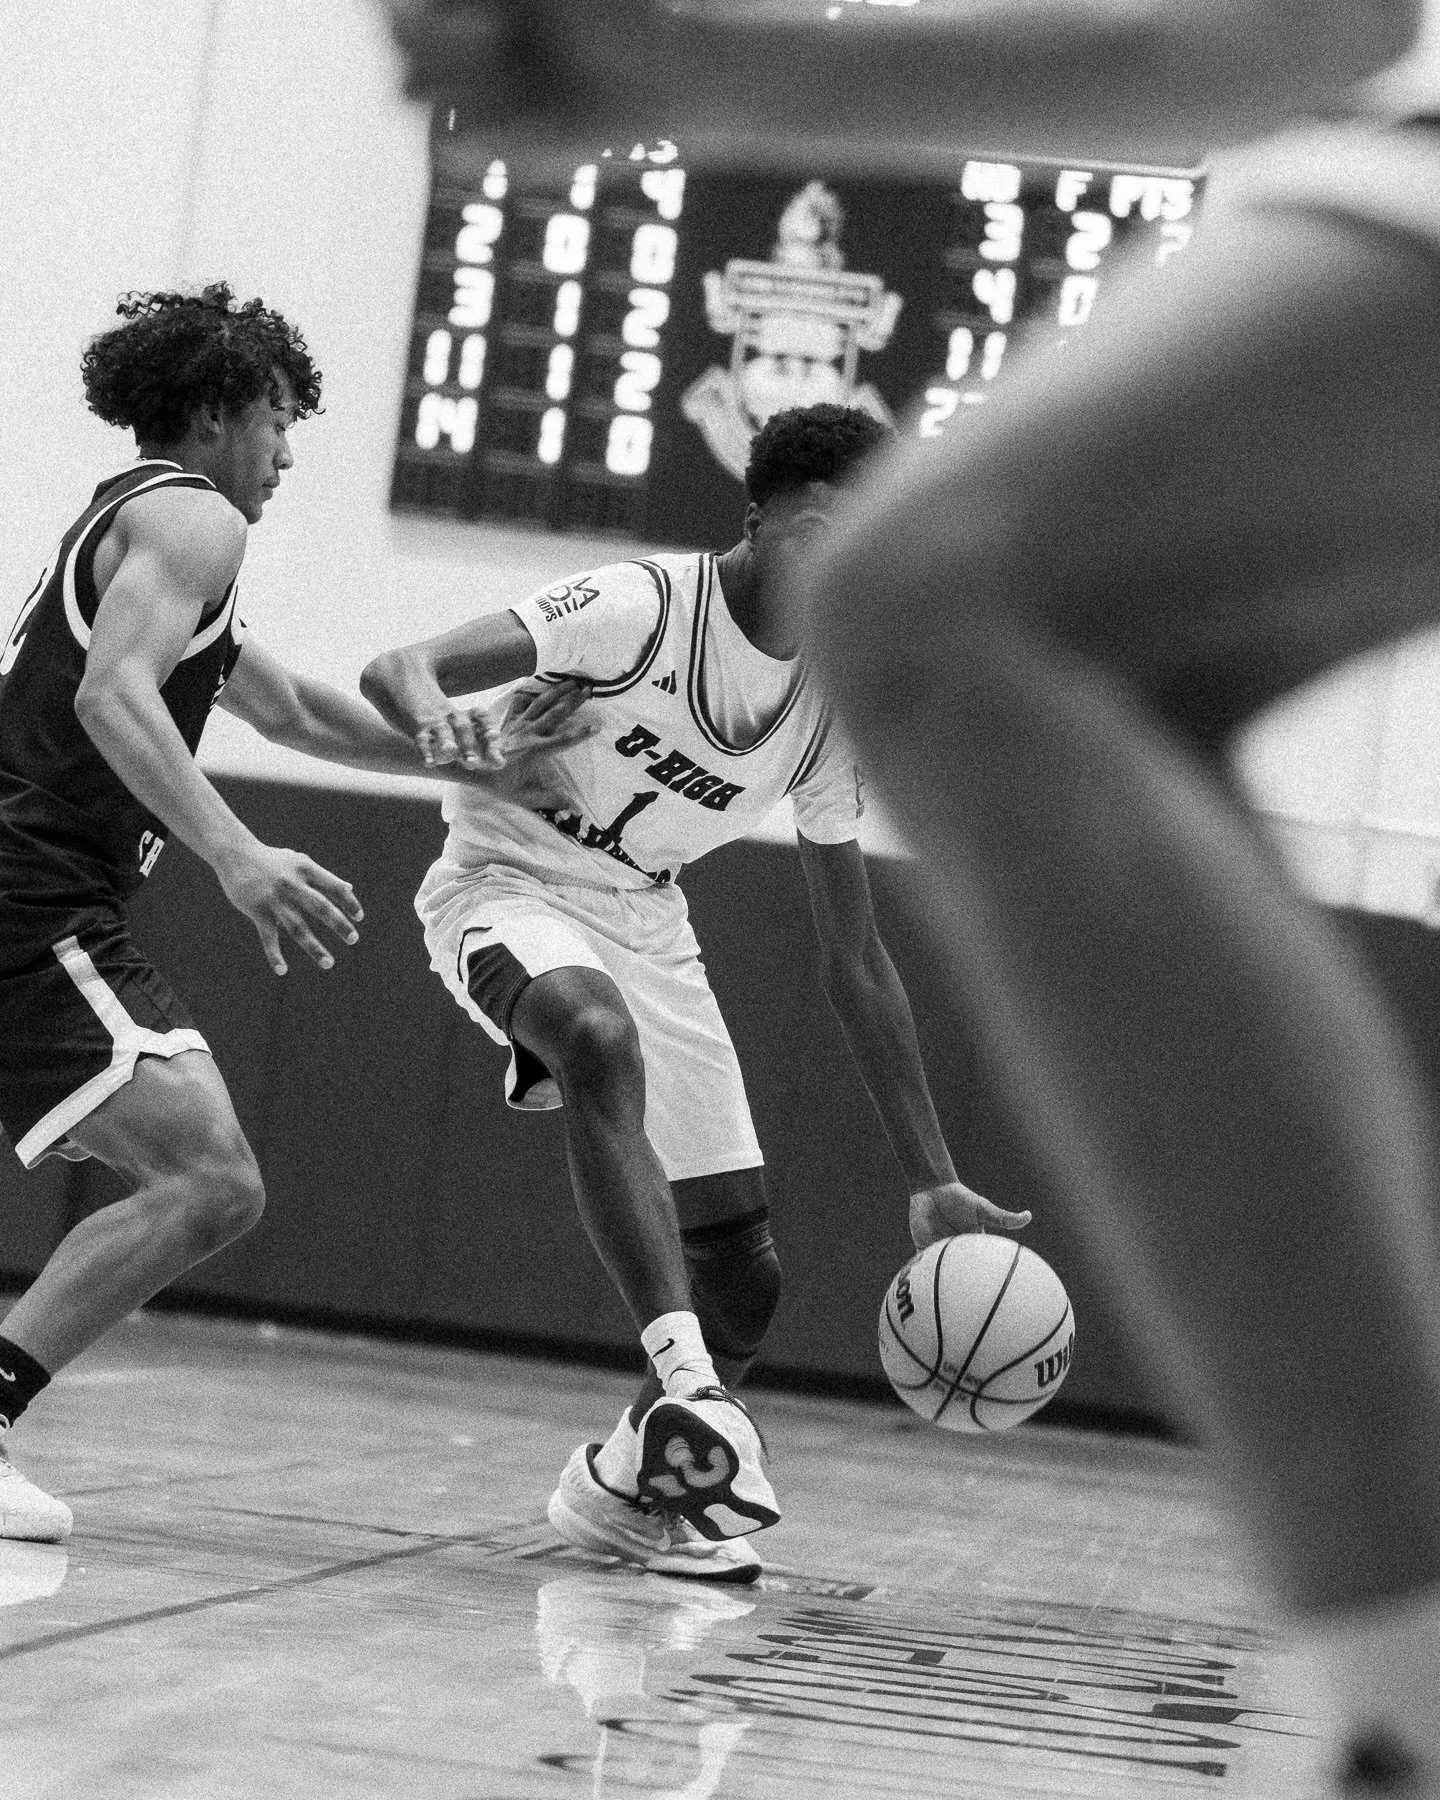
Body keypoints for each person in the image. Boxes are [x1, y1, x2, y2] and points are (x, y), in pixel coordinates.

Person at [387, 0, 1440, 1790]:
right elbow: (1297, 44)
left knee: (943, 606)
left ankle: (1402, 1681)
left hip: (651, 911)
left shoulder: (809, 715)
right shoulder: (643, 607)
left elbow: (1296, 39)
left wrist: (682, 67)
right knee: (1036, 647)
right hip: (529, 882)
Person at [360, 402, 1028, 1583]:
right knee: (594, 1041)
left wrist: (930, 1175)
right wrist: (444, 728)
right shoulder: (638, 607)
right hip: (505, 878)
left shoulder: (831, 705)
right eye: (819, 527)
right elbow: (395, 666)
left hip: (647, 915)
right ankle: (695, 1401)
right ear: (761, 516)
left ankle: (625, 1487)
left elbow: (855, 959)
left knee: (748, 1280)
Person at [0, 283, 584, 1546]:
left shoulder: (150, 533)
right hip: (28, 884)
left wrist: (466, 763)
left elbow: (303, 716)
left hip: (34, 881)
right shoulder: (194, 517)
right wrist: (236, 851)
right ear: (215, 413)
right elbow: (111, 699)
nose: (287, 450)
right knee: (207, 1178)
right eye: (276, 417)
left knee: (201, 1178)